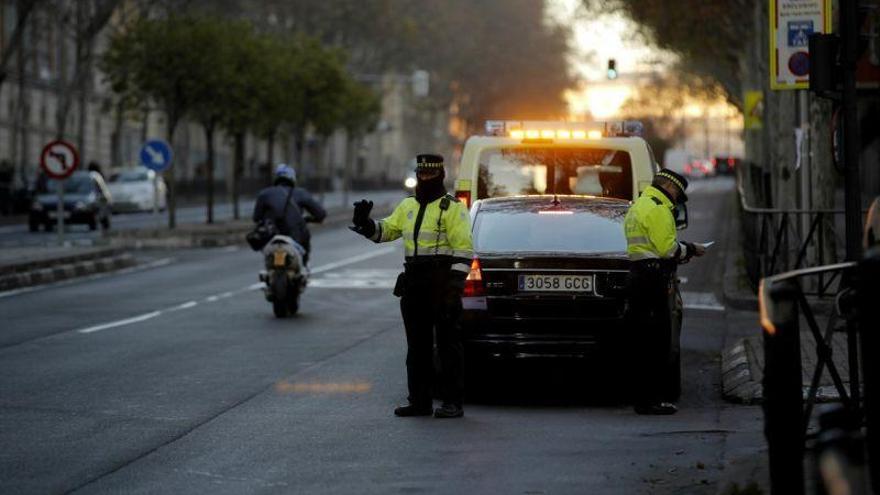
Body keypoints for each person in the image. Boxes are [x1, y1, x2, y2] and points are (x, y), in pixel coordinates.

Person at [350, 154, 473, 419]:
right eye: (422, 174)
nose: (425, 179)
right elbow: (386, 232)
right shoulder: (407, 206)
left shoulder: (453, 208)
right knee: (417, 348)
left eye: (430, 175)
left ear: (440, 175)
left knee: (448, 346)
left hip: (441, 284)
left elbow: (464, 250)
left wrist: (453, 290)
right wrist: (366, 224)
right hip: (414, 284)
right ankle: (419, 401)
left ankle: (452, 402)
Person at [623, 169, 705, 415]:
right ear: (670, 187)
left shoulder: (639, 204)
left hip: (638, 274)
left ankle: (642, 397)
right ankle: (652, 401)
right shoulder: (659, 208)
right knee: (657, 339)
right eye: (678, 194)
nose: (678, 199)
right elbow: (667, 248)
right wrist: (691, 249)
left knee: (641, 340)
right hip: (653, 278)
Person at [252, 164, 326, 264]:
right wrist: (309, 219)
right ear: (293, 178)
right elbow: (320, 213)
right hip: (295, 238)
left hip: (271, 238)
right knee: (305, 235)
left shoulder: (265, 194)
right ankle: (303, 266)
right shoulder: (301, 193)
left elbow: (256, 217)